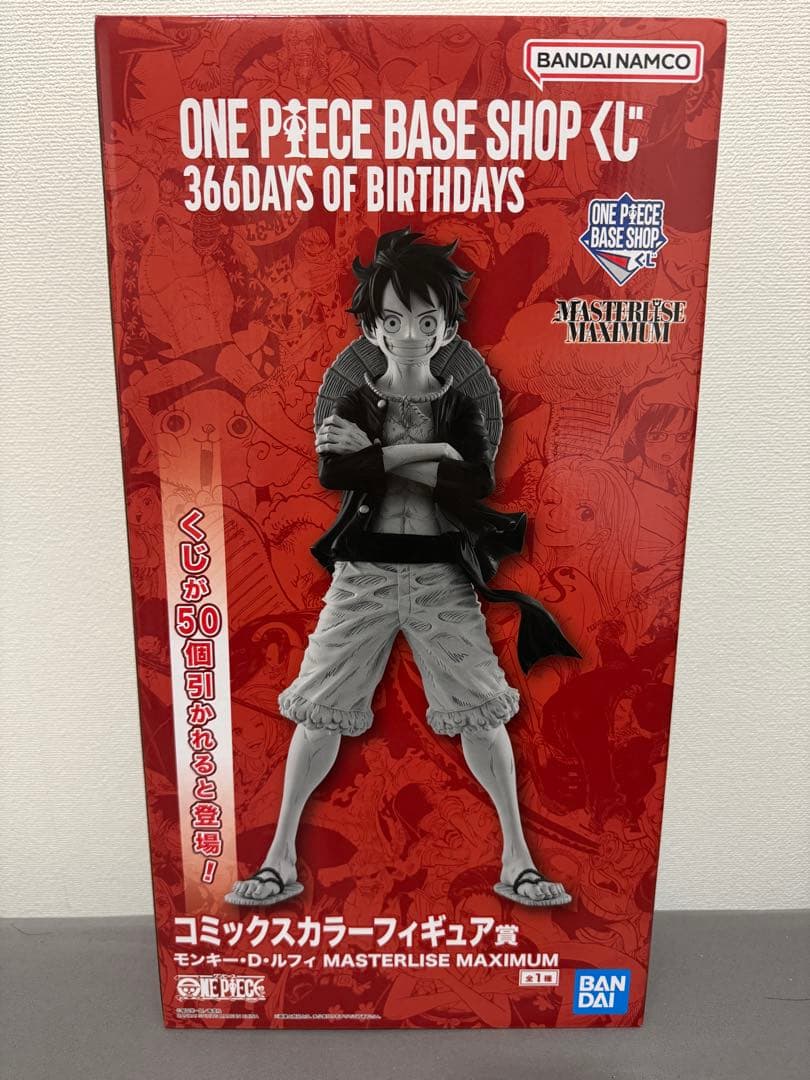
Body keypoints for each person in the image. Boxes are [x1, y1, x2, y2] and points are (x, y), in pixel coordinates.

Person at [227, 229, 579, 909]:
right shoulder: (355, 399)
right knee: (318, 711)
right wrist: (430, 454)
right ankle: (279, 862)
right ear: (372, 328)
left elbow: (473, 483)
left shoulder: (462, 403)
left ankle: (517, 862)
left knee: (482, 713)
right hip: (362, 575)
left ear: (447, 327)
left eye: (424, 320)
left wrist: (387, 454)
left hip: (443, 577)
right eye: (392, 321)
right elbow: (336, 471)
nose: (409, 335)